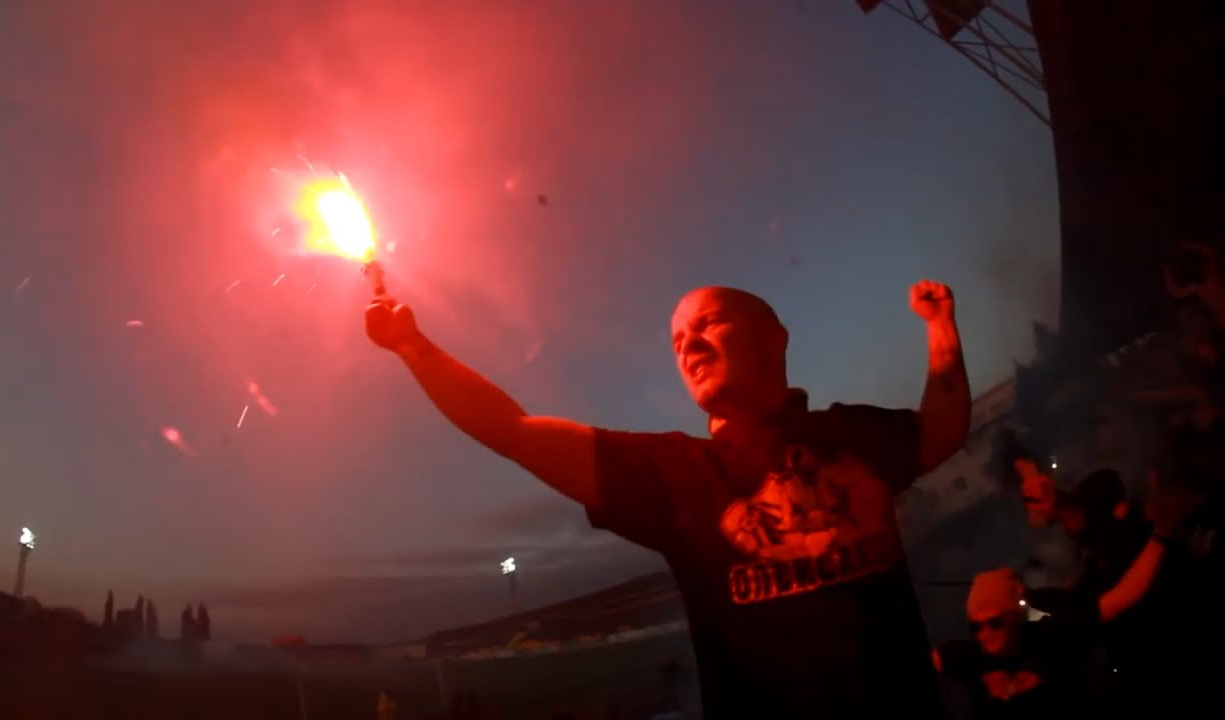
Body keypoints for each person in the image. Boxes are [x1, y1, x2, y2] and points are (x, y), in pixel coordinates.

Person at [364, 281, 972, 717]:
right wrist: (416, 348)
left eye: (708, 323)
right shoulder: (668, 472)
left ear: (775, 337)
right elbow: (511, 430)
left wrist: (940, 325)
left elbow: (941, 430)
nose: (688, 344)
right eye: (678, 338)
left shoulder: (855, 434)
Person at [933, 538, 1168, 720]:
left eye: (994, 622)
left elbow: (1119, 600)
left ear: (1013, 616)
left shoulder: (1050, 637)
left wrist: (1160, 536)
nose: (985, 634)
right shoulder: (967, 655)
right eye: (975, 626)